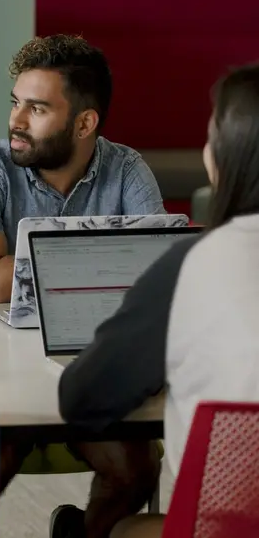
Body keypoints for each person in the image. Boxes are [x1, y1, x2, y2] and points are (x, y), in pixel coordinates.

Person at [0, 34, 164, 538]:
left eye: (38, 108)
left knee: (134, 473)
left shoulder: (128, 170)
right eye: (16, 103)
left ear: (85, 123)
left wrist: (25, 262)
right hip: (6, 377)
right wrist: (107, 258)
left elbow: (155, 273)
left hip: (91, 364)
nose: (16, 122)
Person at [59, 63, 259, 538]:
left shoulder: (194, 263)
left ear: (226, 159)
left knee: (116, 529)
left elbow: (83, 399)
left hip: (225, 530)